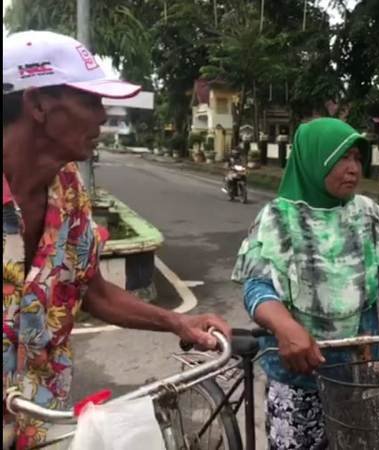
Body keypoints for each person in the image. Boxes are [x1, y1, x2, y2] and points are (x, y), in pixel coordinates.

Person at [2, 31, 232, 450]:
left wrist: (177, 321)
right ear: (37, 105)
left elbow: (90, 289)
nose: (102, 115)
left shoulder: (68, 191)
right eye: (90, 101)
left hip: (45, 421)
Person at [232, 117, 379, 449]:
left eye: (356, 157)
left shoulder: (367, 213)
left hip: (360, 372)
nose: (353, 167)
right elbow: (258, 287)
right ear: (314, 160)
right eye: (342, 157)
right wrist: (285, 328)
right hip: (298, 376)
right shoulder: (277, 219)